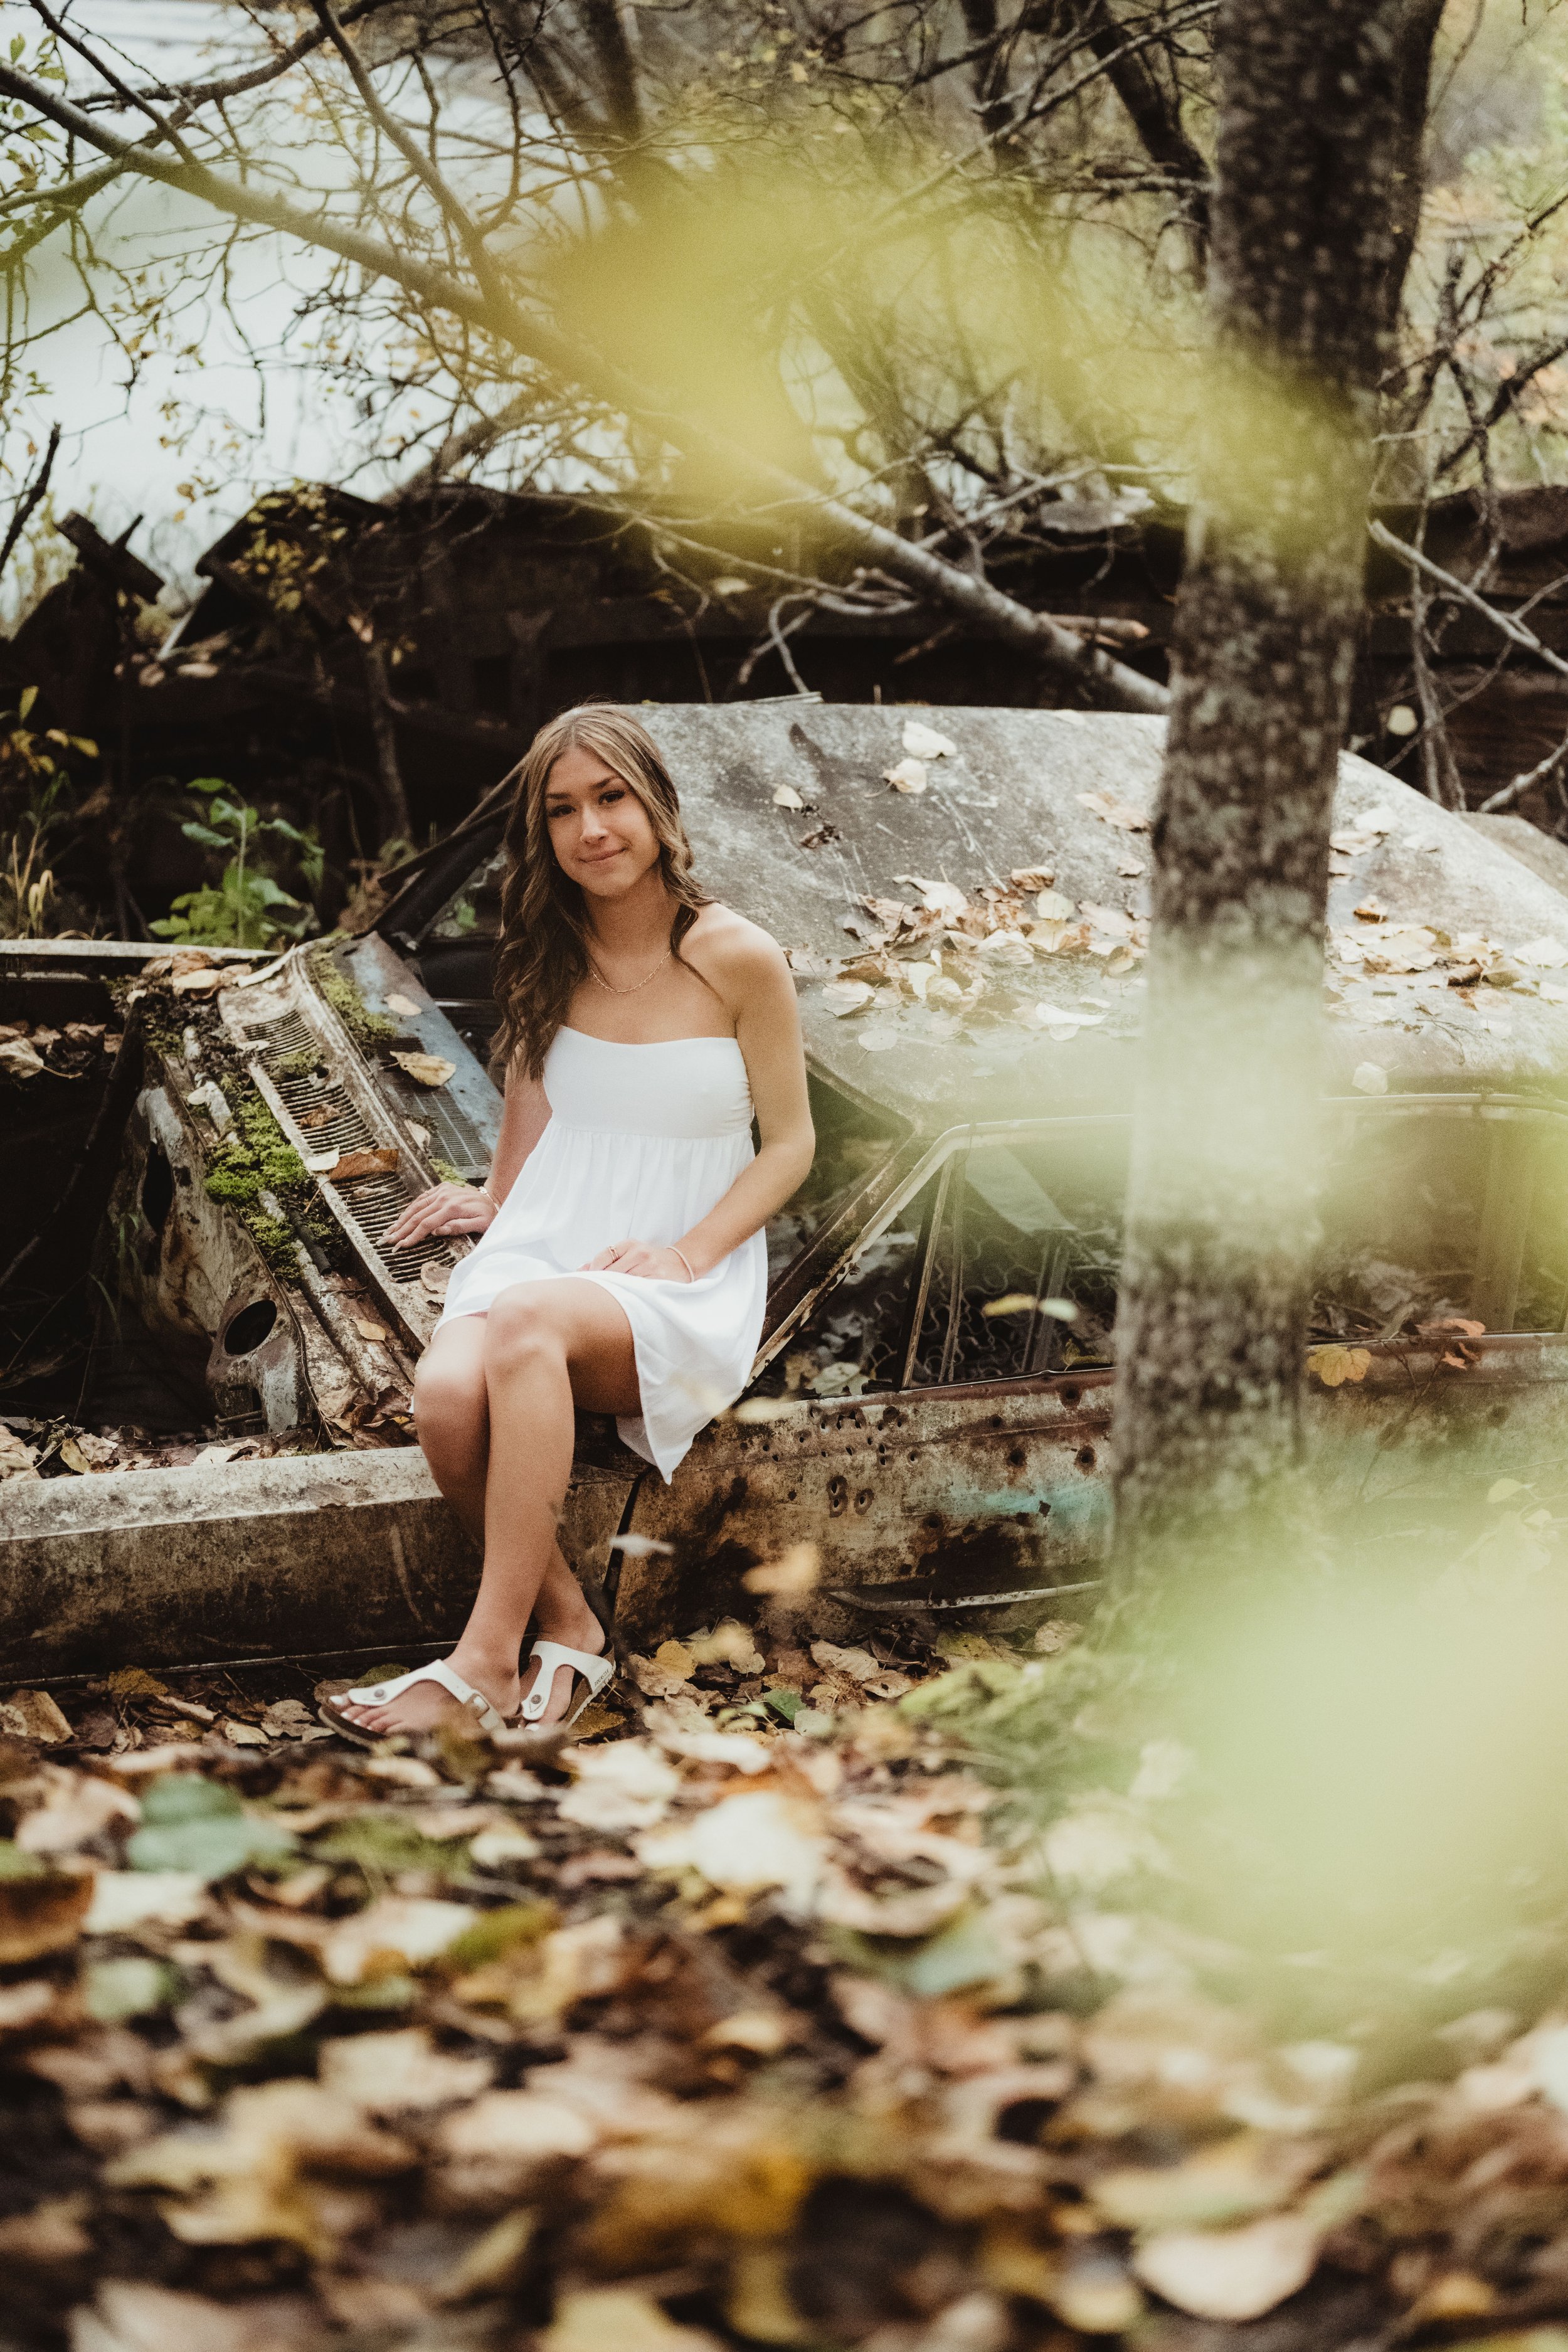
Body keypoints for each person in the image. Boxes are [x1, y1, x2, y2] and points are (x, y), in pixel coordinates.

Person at [328, 704, 815, 1740]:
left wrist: (688, 1253)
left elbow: (792, 1147)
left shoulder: (739, 956)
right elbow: (532, 1084)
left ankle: (482, 1661)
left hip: (681, 1267)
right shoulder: (550, 943)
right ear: (543, 832)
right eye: (563, 810)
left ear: (656, 805)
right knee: (448, 1401)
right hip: (554, 1234)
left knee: (526, 1326)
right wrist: (500, 1200)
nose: (592, 829)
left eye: (612, 798)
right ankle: (570, 1623)